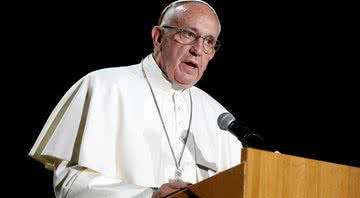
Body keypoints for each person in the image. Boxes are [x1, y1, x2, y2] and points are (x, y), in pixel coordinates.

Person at [29, 0, 242, 197]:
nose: (197, 50)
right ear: (158, 38)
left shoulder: (218, 116)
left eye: (209, 41)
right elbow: (70, 182)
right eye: (188, 34)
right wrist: (148, 196)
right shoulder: (104, 86)